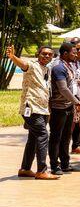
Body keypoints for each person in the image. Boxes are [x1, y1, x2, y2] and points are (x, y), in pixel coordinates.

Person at [8, 45, 59, 180]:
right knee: (43, 135)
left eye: (50, 54)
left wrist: (49, 109)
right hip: (31, 107)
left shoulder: (47, 69)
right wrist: (13, 57)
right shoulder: (32, 65)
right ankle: (41, 170)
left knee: (33, 138)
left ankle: (25, 168)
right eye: (44, 54)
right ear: (38, 54)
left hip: (42, 109)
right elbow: (23, 65)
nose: (47, 56)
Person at [49, 41, 80, 175]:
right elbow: (63, 89)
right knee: (56, 137)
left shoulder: (69, 65)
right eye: (74, 53)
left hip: (68, 106)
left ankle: (65, 164)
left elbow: (73, 84)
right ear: (65, 54)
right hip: (59, 107)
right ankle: (54, 165)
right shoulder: (58, 67)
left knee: (66, 136)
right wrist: (76, 102)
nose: (77, 55)